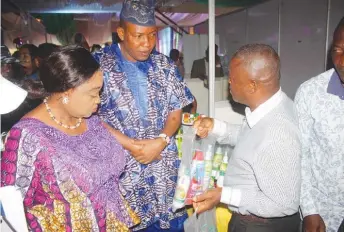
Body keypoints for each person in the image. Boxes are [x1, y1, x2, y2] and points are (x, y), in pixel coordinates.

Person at [1, 45, 140, 231]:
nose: (98, 99)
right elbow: (12, 209)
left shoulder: (89, 120)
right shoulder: (28, 136)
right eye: (92, 93)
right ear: (66, 92)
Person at [94, 0, 194, 231]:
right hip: (122, 171)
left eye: (151, 35)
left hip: (163, 168)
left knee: (171, 224)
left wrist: (160, 142)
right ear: (121, 33)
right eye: (138, 36)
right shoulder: (98, 65)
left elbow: (175, 109)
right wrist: (133, 146)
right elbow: (89, 117)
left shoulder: (164, 64)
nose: (146, 43)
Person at [192, 44, 301, 232]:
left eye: (233, 79)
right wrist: (216, 126)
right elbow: (251, 140)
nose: (229, 83)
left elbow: (284, 204)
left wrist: (224, 195)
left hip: (260, 225)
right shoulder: (269, 108)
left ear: (252, 85)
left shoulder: (278, 133)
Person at [294, 17, 344, 232]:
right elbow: (299, 154)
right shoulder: (311, 93)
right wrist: (310, 210)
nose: (341, 61)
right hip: (325, 215)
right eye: (337, 50)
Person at [169, 48, 198, 114]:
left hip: (178, 95)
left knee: (192, 104)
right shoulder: (175, 68)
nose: (182, 60)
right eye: (181, 58)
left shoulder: (177, 67)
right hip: (175, 97)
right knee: (193, 104)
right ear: (178, 59)